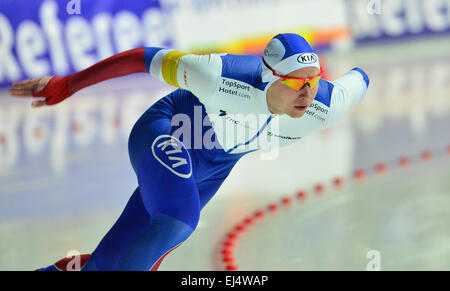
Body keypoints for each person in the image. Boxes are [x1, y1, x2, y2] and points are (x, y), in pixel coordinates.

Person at [8, 33, 370, 271]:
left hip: (213, 166)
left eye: (313, 81)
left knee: (112, 261)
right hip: (166, 130)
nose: (307, 94)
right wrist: (67, 85)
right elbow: (141, 58)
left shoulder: (326, 104)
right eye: (295, 84)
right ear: (268, 76)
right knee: (178, 220)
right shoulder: (218, 76)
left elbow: (360, 78)